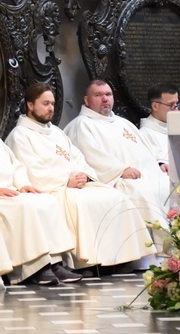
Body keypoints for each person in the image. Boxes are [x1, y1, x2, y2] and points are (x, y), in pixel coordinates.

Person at [5, 83, 156, 268]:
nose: (51, 108)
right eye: (45, 104)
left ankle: (121, 259)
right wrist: (66, 180)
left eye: (52, 103)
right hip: (55, 189)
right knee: (82, 203)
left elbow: (78, 158)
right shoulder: (20, 135)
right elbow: (30, 170)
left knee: (115, 197)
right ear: (30, 105)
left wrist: (84, 175)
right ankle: (90, 263)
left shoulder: (57, 132)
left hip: (76, 184)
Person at [0, 87, 82, 285]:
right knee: (24, 206)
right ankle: (34, 268)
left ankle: (55, 262)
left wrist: (23, 184)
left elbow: (15, 166)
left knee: (45, 201)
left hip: (10, 191)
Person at [63, 80, 170, 247]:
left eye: (108, 94)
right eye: (98, 95)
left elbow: (146, 148)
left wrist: (159, 163)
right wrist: (120, 170)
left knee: (171, 185)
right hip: (120, 180)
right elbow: (91, 156)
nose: (105, 99)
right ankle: (158, 249)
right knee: (141, 191)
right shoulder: (82, 125)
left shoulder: (122, 122)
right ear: (86, 100)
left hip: (148, 175)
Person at [140, 83, 179, 172]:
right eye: (171, 105)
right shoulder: (144, 134)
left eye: (176, 104)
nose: (176, 109)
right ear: (155, 106)